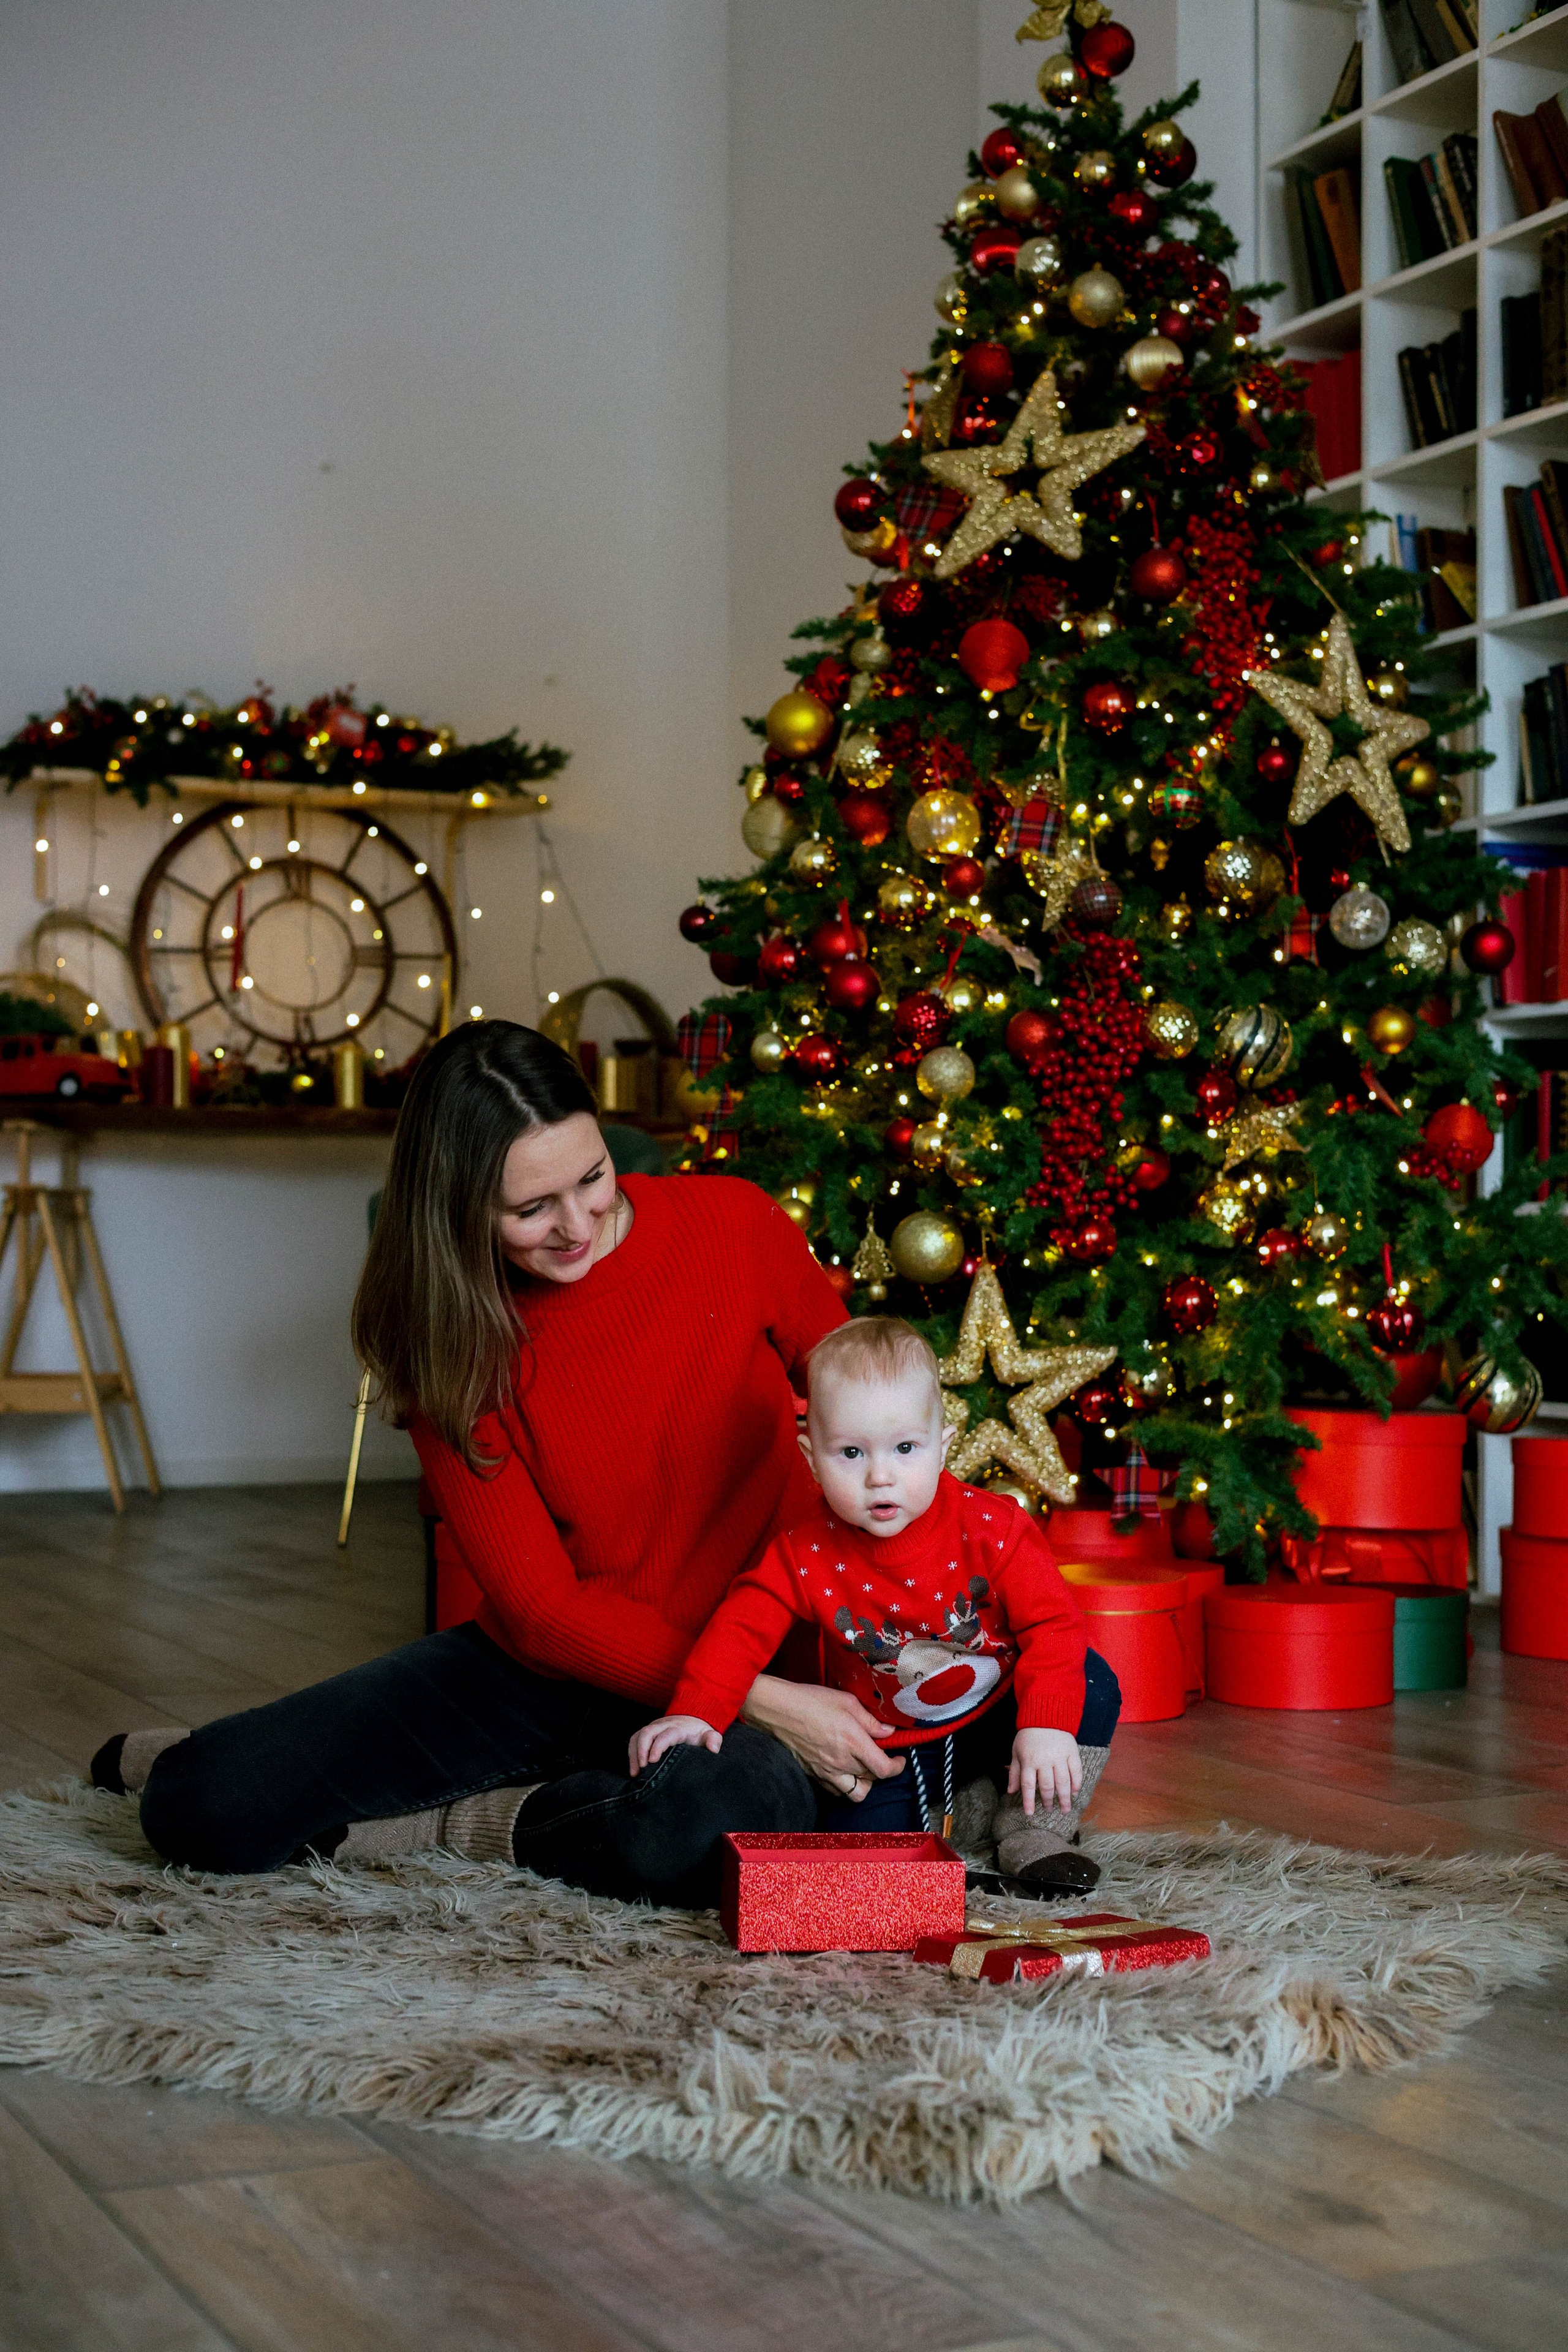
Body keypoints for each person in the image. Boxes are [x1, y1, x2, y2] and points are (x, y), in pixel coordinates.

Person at [89, 1020, 932, 1904]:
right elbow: (540, 1610)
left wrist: (794, 1667)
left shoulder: (734, 1223)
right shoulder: (447, 1339)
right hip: (557, 1668)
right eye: (532, 1209)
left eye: (593, 1177)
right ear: (456, 1207)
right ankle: (406, 1801)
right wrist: (763, 1700)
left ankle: (484, 1820)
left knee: (714, 1813)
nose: (577, 1226)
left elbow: (873, 1419)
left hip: (750, 1650)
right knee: (198, 1808)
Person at [631, 1316, 1121, 1893]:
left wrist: (1043, 1725)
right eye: (851, 1453)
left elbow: (1056, 1624)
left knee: (1089, 1682)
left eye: (905, 1448)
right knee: (870, 1873)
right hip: (888, 1746)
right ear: (811, 1457)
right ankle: (965, 1807)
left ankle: (1032, 1828)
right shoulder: (805, 1551)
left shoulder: (994, 1527)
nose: (880, 1477)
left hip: (998, 1714)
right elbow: (740, 1626)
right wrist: (696, 1709)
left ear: (942, 1446)